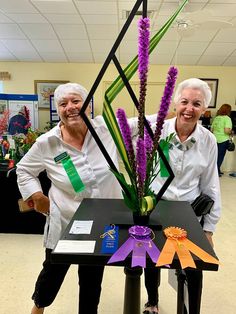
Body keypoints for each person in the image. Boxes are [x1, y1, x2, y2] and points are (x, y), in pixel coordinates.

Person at [16, 82, 157, 314]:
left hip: (101, 222)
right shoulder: (47, 143)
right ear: (57, 109)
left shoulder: (106, 128)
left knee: (92, 277)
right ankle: (38, 306)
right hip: (65, 219)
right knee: (53, 271)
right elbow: (24, 170)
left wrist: (176, 113)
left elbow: (142, 123)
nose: (70, 107)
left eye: (76, 101)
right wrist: (36, 194)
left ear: (88, 105)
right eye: (63, 104)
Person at [143, 78, 221, 314]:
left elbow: (211, 185)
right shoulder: (156, 130)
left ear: (204, 109)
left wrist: (208, 230)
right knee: (152, 261)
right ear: (175, 103)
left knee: (194, 267)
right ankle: (152, 301)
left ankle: (190, 309)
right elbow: (117, 127)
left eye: (197, 104)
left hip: (189, 212)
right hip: (157, 206)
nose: (189, 108)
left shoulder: (208, 140)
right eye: (184, 101)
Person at [211, 104, 232, 176]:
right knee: (220, 156)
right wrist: (231, 132)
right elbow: (226, 131)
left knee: (214, 156)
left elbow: (212, 129)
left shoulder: (216, 118)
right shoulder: (227, 119)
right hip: (223, 140)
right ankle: (216, 172)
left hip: (214, 139)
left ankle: (217, 170)